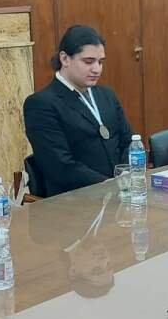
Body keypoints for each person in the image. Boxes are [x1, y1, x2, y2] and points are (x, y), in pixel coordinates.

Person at [23, 25, 133, 197]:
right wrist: (108, 185)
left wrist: (126, 175)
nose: (96, 69)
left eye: (100, 62)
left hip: (120, 194)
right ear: (65, 59)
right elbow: (60, 165)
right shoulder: (41, 104)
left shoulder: (106, 95)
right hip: (75, 202)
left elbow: (128, 142)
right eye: (88, 62)